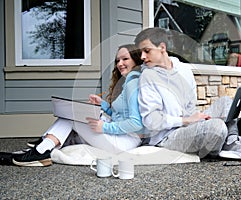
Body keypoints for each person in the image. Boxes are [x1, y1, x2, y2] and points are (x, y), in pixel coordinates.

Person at [134, 27, 241, 159]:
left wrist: (198, 119)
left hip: (189, 125)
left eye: (147, 51)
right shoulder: (148, 76)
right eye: (141, 52)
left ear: (162, 47)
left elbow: (191, 106)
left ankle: (231, 142)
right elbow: (151, 121)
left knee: (226, 102)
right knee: (216, 128)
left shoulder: (184, 70)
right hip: (166, 137)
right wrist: (186, 120)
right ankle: (221, 143)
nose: (142, 57)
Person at [12, 44, 145, 167]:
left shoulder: (132, 83)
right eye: (117, 61)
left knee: (74, 115)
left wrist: (105, 127)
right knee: (79, 113)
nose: (120, 64)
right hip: (122, 137)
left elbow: (135, 123)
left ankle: (44, 147)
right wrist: (103, 105)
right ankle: (45, 144)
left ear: (135, 60)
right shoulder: (127, 82)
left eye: (125, 59)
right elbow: (121, 115)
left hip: (125, 142)